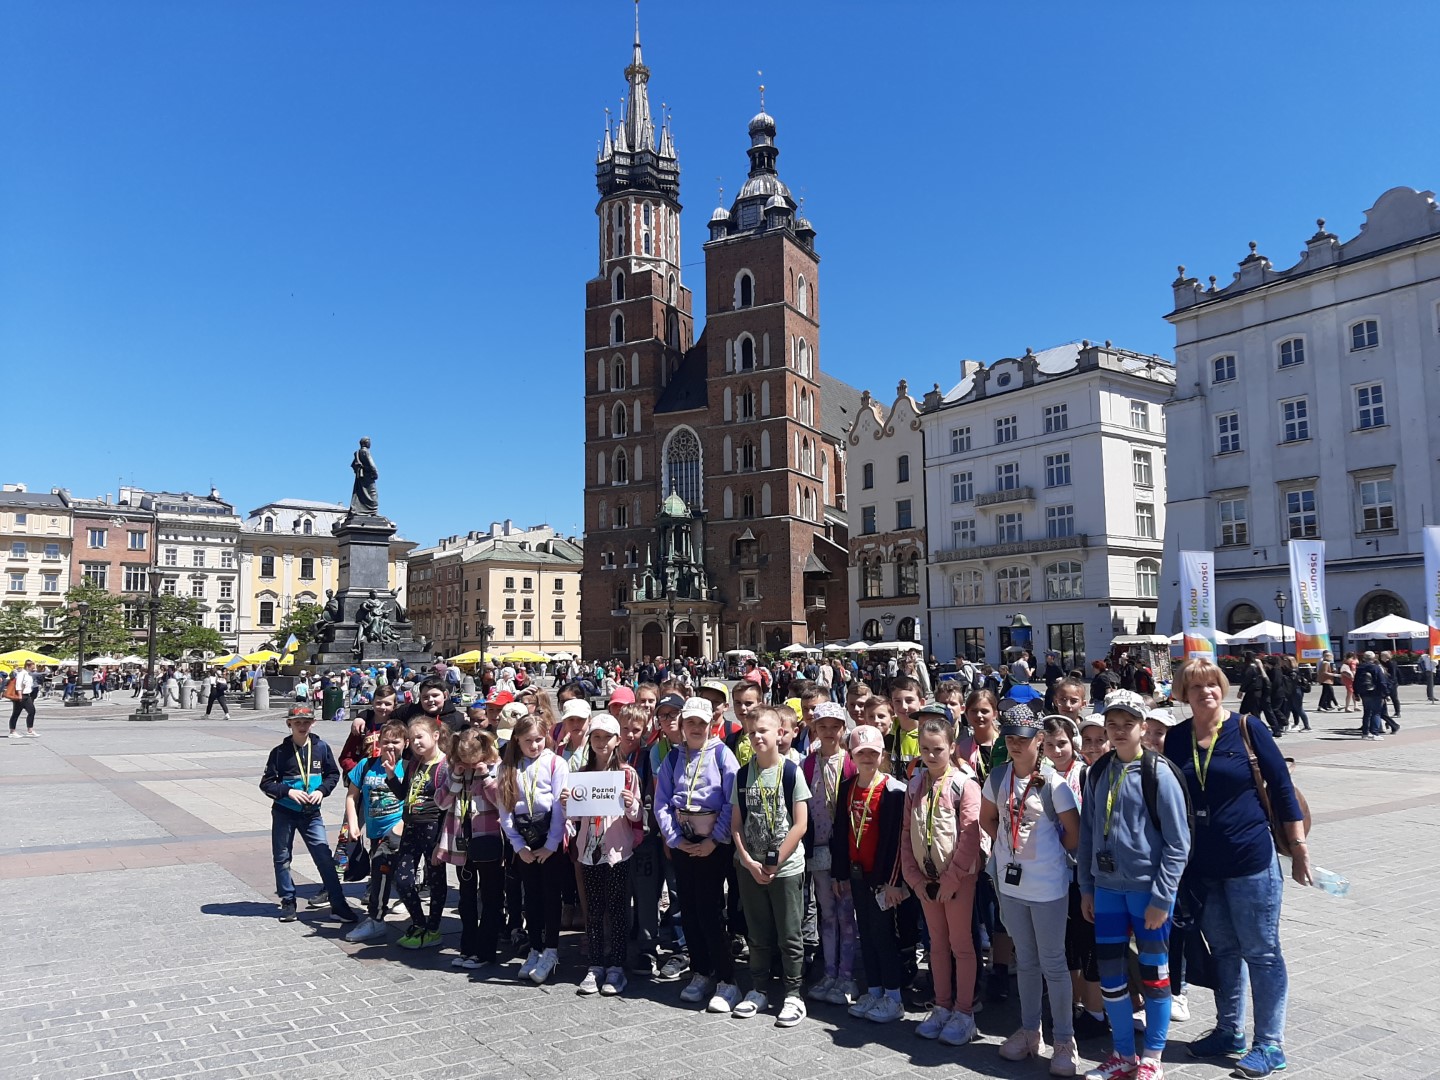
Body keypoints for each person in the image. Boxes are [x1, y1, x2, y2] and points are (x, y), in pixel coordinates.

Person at [1165, 659, 1310, 1080]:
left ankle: (1270, 1044)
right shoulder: (1177, 737)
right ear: (1184, 694)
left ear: (1222, 687)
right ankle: (1229, 1031)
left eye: (1212, 684)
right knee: (1224, 951)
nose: (1206, 692)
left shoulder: (1247, 727)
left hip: (1251, 860)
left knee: (1262, 952)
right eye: (1196, 687)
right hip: (1203, 866)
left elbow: (1281, 788)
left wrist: (1298, 847)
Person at [1079, 691, 1191, 1080]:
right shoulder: (1098, 771)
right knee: (1111, 977)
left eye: (1128, 724)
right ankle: (1123, 1054)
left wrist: (1163, 896)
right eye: (1112, 724)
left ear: (1143, 728)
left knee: (1155, 977)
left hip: (1149, 893)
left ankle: (1152, 1057)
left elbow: (1178, 843)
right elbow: (1088, 834)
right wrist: (1087, 887)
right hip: (1107, 890)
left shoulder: (1159, 773)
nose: (1119, 731)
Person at [979, 704, 1081, 1077]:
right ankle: (1029, 1030)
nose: (1015, 744)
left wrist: (1045, 855)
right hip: (1011, 884)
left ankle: (1065, 1040)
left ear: (1038, 739)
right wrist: (1011, 849)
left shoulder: (1054, 784)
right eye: (1010, 737)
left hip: (1048, 886)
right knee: (1025, 959)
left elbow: (1074, 834)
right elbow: (987, 819)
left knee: (1053, 962)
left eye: (1022, 738)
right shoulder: (998, 777)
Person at [654, 696, 741, 1014]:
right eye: (689, 722)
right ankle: (701, 971)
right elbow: (662, 802)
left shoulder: (722, 754)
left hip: (712, 845)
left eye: (700, 723)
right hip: (683, 844)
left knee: (710, 910)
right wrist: (674, 838)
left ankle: (727, 979)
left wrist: (715, 841)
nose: (694, 728)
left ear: (710, 724)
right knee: (688, 909)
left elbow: (731, 800)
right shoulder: (673, 758)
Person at [729, 706, 812, 1028]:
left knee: (789, 934)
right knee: (758, 932)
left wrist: (774, 862)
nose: (757, 737)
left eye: (763, 730)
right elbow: (737, 824)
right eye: (752, 732)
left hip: (786, 868)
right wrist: (749, 861)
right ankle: (759, 988)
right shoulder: (742, 775)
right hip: (750, 867)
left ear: (780, 733)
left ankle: (793, 994)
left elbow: (800, 824)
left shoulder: (791, 772)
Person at [901, 719, 982, 1047]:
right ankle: (943, 1005)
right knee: (936, 944)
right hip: (926, 880)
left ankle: (964, 1012)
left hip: (958, 879)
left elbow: (971, 835)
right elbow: (906, 833)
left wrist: (952, 878)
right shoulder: (914, 785)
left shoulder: (964, 784)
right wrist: (913, 877)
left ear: (952, 748)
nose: (931, 755)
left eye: (938, 749)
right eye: (925, 749)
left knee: (961, 945)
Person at [831, 723, 908, 1025]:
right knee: (866, 931)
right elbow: (841, 832)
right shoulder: (848, 787)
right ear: (851, 754)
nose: (867, 758)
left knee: (883, 935)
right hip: (856, 875)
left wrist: (893, 882)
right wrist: (839, 874)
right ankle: (874, 991)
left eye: (873, 753)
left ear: (882, 755)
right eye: (861, 752)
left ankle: (894, 996)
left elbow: (898, 842)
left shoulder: (893, 790)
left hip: (882, 879)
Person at [258, 706, 360, 923]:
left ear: (313, 723)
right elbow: (266, 783)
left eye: (306, 722)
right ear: (289, 724)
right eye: (297, 722)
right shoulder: (279, 752)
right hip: (284, 812)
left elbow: (332, 774)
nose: (302, 726)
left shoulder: (321, 748)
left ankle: (338, 903)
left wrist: (321, 791)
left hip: (312, 813)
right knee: (282, 857)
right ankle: (288, 901)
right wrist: (288, 791)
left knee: (323, 856)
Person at [566, 712, 643, 997]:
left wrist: (631, 803)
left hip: (617, 851)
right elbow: (574, 817)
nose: (601, 742)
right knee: (594, 909)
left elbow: (637, 816)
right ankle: (595, 963)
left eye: (607, 737)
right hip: (589, 851)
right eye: (596, 737)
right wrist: (566, 803)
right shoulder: (582, 774)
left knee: (618, 909)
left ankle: (617, 967)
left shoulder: (627, 774)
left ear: (617, 740)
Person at [497, 714, 570, 985]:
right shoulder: (507, 767)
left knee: (551, 895)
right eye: (528, 740)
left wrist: (551, 844)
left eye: (539, 739)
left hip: (549, 838)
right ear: (517, 739)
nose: (534, 745)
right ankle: (535, 948)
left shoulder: (555, 763)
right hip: (524, 842)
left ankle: (551, 949)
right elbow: (504, 810)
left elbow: (560, 807)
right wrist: (518, 845)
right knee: (531, 896)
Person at [801, 702, 858, 1006]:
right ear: (814, 728)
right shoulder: (808, 764)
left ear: (843, 729)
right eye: (823, 726)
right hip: (818, 849)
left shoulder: (850, 763)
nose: (829, 732)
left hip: (844, 850)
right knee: (827, 913)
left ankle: (846, 975)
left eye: (835, 726)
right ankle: (830, 972)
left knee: (846, 915)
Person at [433, 727, 502, 970]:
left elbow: (502, 802)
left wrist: (485, 777)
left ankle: (486, 951)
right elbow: (441, 802)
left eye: (474, 760)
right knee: (466, 898)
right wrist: (455, 776)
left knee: (491, 897)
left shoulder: (495, 767)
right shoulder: (454, 769)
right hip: (462, 842)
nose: (470, 765)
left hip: (489, 842)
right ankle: (467, 948)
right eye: (465, 760)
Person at [384, 714, 449, 949]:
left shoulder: (446, 765)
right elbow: (403, 794)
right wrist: (391, 775)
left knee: (436, 880)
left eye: (420, 737)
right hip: (411, 827)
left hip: (434, 828)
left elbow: (448, 807)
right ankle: (419, 923)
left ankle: (433, 929)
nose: (416, 743)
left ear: (435, 736)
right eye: (412, 739)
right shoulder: (414, 763)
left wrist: (443, 842)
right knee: (402, 879)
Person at [343, 720, 408, 945]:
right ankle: (415, 917)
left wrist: (400, 827)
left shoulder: (408, 766)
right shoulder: (366, 764)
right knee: (389, 876)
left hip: (396, 830)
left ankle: (376, 919)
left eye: (396, 742)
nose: (390, 746)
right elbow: (352, 796)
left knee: (381, 872)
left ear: (406, 743)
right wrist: (353, 825)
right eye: (386, 741)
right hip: (374, 831)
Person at [1354, 650, 1388, 741]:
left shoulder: (1360, 668)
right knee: (1376, 713)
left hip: (1364, 692)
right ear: (1373, 658)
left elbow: (1355, 681)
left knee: (1367, 712)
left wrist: (1356, 693)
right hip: (1375, 692)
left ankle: (1365, 733)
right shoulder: (1375, 667)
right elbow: (1382, 681)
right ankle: (1374, 733)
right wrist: (1385, 693)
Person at [6, 659, 38, 738]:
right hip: (21, 695)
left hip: (27, 695)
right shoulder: (22, 674)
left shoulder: (28, 674)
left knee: (32, 711)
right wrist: (20, 695)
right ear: (28, 666)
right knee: (16, 713)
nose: (34, 668)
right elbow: (18, 685)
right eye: (33, 666)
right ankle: (12, 731)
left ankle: (30, 730)